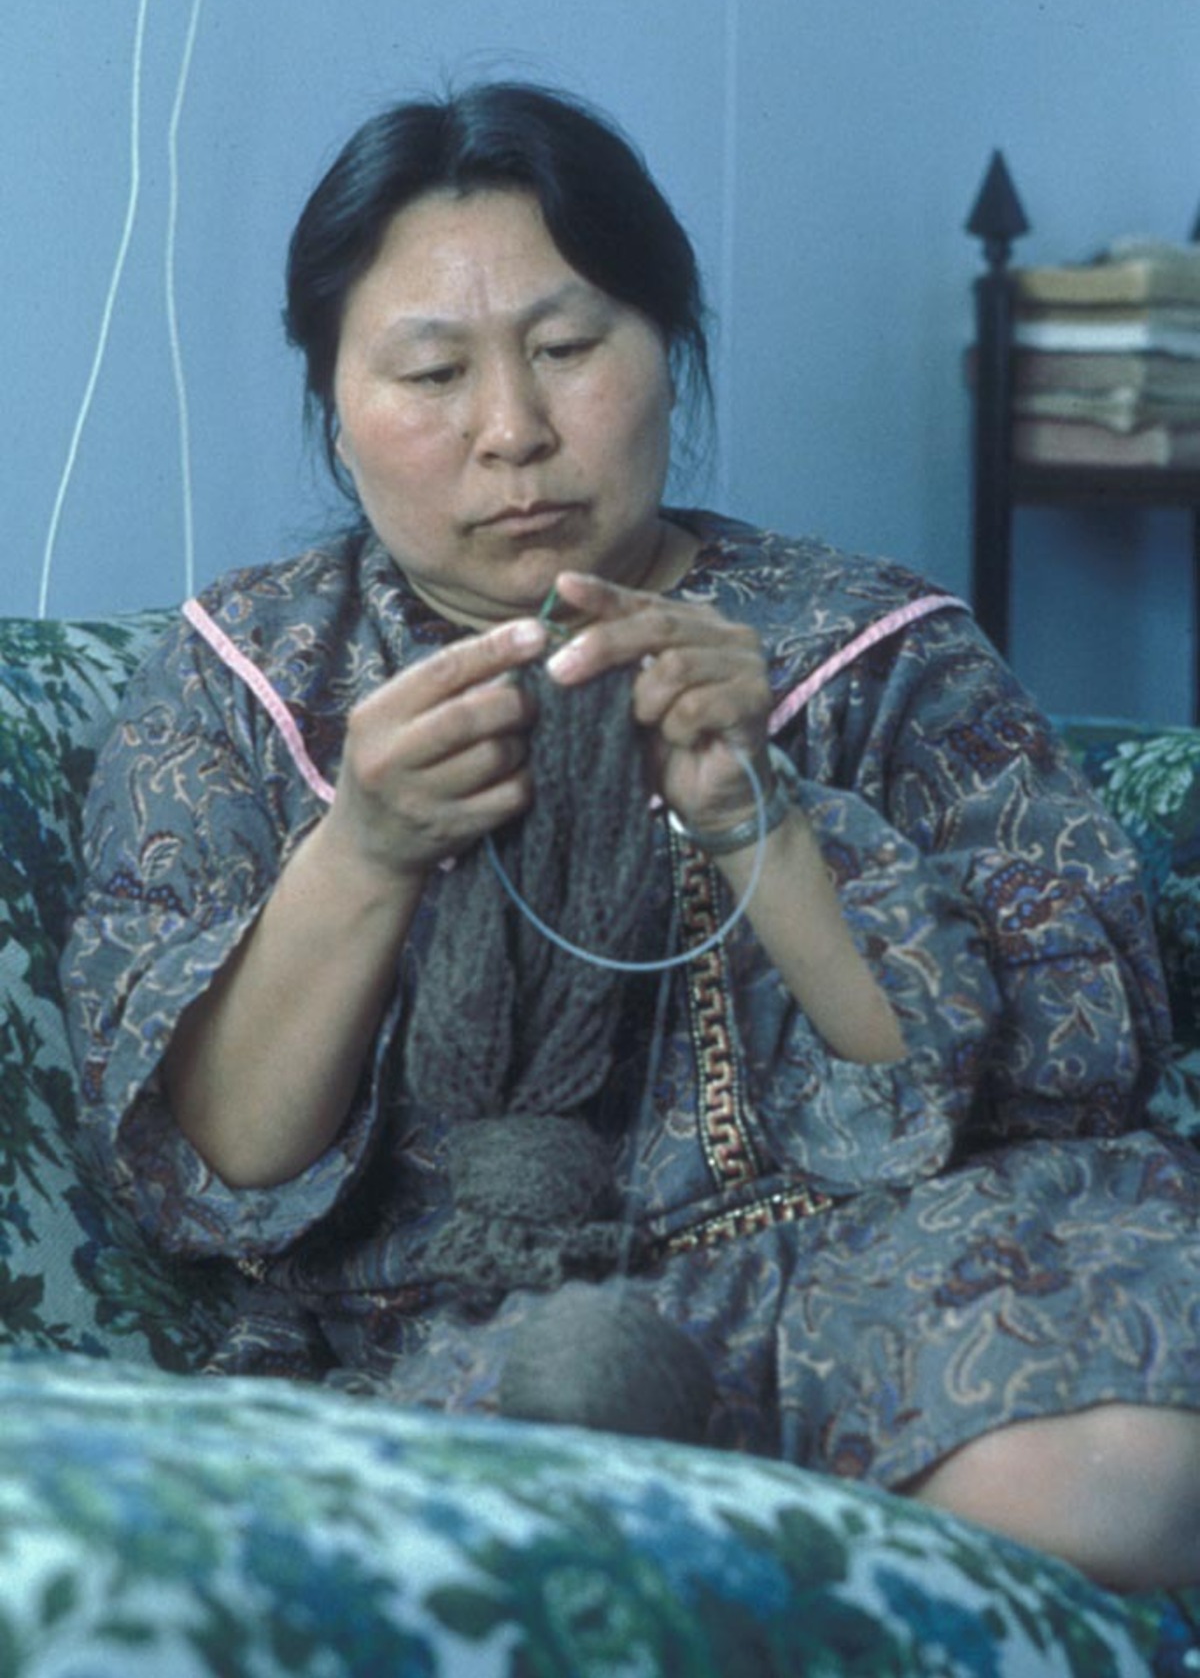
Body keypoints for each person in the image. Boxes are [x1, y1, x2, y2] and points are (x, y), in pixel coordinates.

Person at [63, 80, 1200, 1592]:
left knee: (1113, 1479)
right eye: (432, 372)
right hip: (448, 1336)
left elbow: (1058, 1078)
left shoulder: (878, 647)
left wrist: (755, 814)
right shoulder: (243, 679)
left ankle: (732, 1565)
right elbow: (216, 1158)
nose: (514, 433)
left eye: (567, 348)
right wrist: (368, 848)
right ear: (335, 406)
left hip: (875, 1273)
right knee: (496, 1485)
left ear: (672, 347)